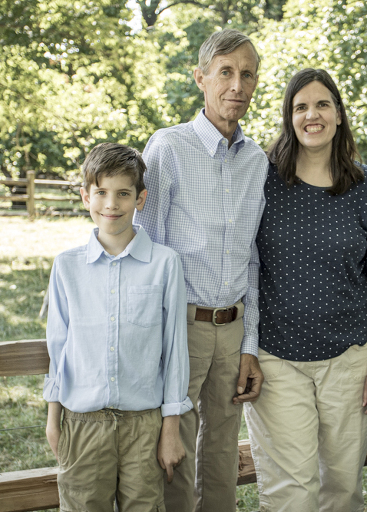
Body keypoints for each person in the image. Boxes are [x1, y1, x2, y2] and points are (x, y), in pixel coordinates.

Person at [244, 68, 367, 512]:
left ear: (339, 115)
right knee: (291, 492)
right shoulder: (263, 178)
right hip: (276, 359)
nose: (313, 115)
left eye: (323, 104)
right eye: (301, 106)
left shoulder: (365, 184)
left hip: (348, 361)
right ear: (289, 117)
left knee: (342, 489)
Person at [133, 29, 267, 512]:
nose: (237, 84)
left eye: (247, 74)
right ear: (201, 78)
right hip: (180, 326)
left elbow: (253, 257)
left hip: (232, 331)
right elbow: (141, 245)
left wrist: (249, 345)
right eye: (225, 72)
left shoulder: (257, 161)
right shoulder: (168, 148)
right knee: (173, 453)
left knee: (223, 452)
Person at [43, 142, 192, 511]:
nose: (111, 204)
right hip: (83, 422)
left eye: (123, 194)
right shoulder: (66, 266)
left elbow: (174, 351)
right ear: (85, 196)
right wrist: (53, 417)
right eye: (101, 193)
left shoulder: (165, 264)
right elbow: (58, 347)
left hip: (144, 424)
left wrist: (170, 429)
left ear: (140, 199)